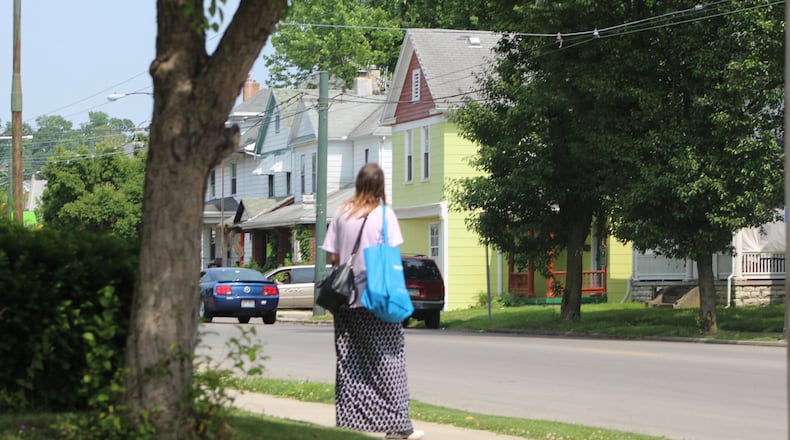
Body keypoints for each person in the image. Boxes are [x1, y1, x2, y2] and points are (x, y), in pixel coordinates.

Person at [321, 163, 424, 440]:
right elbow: (390, 253)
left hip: (344, 300)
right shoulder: (384, 214)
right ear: (380, 186)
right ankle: (398, 424)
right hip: (376, 297)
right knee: (389, 359)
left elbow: (332, 256)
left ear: (357, 183)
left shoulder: (342, 212)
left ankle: (352, 420)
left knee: (350, 361)